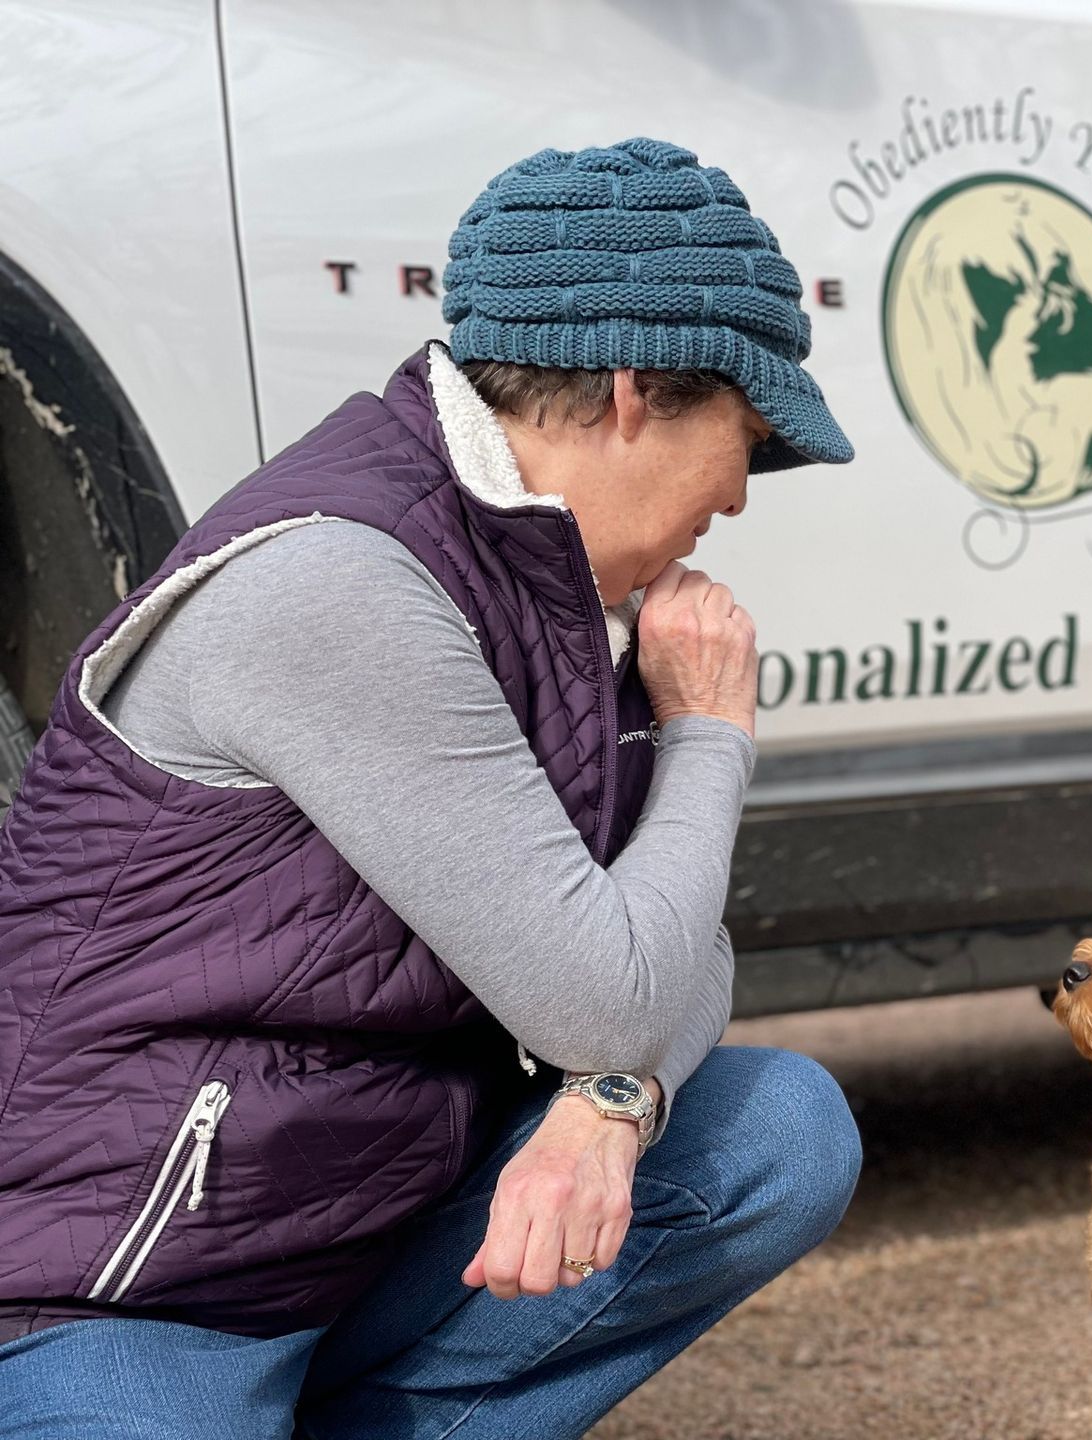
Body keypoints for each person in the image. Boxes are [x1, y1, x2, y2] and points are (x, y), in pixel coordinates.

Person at [0, 135, 862, 1438]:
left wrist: (611, 1104)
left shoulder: (550, 583)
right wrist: (711, 736)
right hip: (132, 1293)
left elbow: (683, 957)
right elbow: (607, 989)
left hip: (359, 1243)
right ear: (632, 392)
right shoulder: (344, 578)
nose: (738, 495)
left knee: (779, 1131)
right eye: (746, 438)